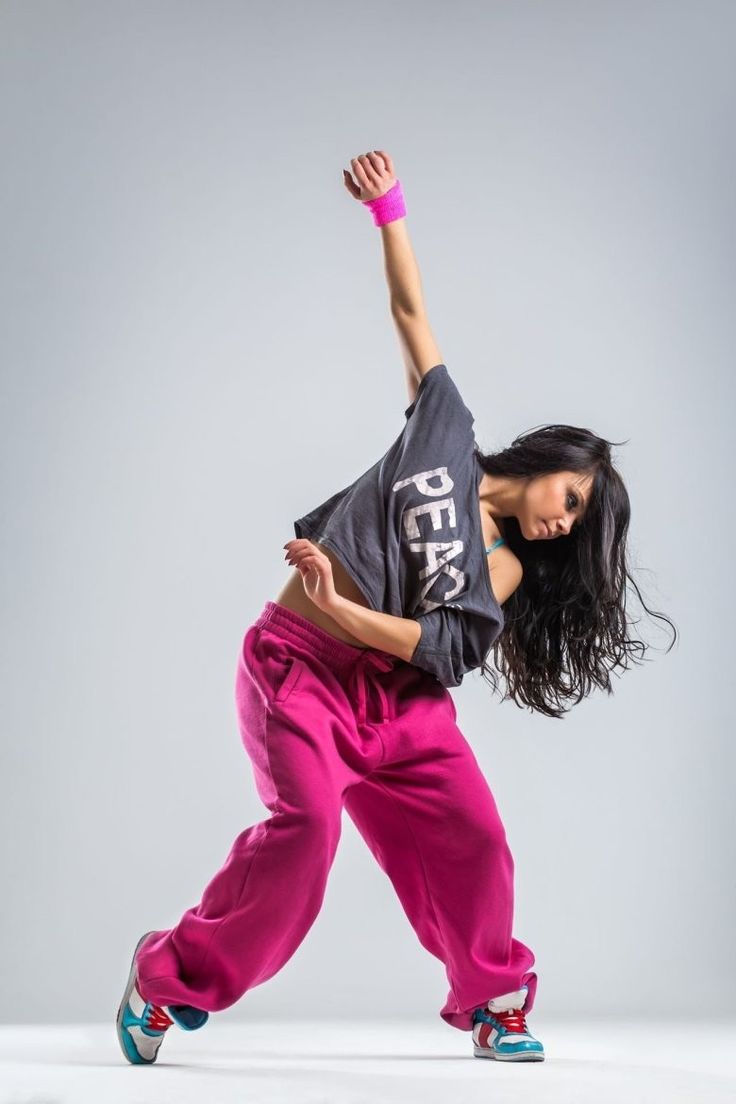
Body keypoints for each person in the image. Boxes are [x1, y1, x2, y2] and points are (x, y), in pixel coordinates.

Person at [116, 152, 676, 1066]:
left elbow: (427, 644)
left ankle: (496, 1001)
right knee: (306, 834)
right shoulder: (444, 429)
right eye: (570, 501)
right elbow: (412, 314)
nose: (560, 523)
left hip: (400, 700)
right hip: (297, 672)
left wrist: (344, 599)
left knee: (476, 836)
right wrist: (390, 209)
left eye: (574, 525)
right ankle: (165, 978)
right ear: (553, 461)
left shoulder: (504, 572)